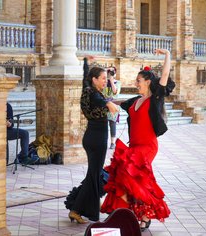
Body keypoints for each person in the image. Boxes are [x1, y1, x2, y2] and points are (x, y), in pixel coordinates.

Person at [100, 49, 175, 231]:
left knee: (132, 175)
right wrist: (105, 102)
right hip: (134, 146)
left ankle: (142, 215)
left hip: (147, 146)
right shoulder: (135, 101)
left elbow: (165, 74)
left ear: (148, 82)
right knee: (126, 179)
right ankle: (129, 214)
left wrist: (167, 54)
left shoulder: (155, 99)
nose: (136, 84)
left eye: (138, 81)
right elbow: (118, 103)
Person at [64, 56, 119, 224]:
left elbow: (85, 75)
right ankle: (76, 209)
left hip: (92, 137)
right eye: (102, 78)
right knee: (94, 176)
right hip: (97, 139)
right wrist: (109, 104)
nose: (105, 81)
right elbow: (101, 101)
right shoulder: (94, 94)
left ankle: (81, 207)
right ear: (95, 80)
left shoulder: (87, 88)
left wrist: (86, 61)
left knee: (93, 175)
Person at [103, 66, 121, 149]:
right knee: (103, 124)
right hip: (104, 105)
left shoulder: (118, 82)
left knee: (112, 123)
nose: (110, 73)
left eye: (112, 71)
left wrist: (111, 80)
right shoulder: (104, 82)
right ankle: (103, 141)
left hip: (113, 105)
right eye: (109, 71)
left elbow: (115, 92)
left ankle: (113, 142)